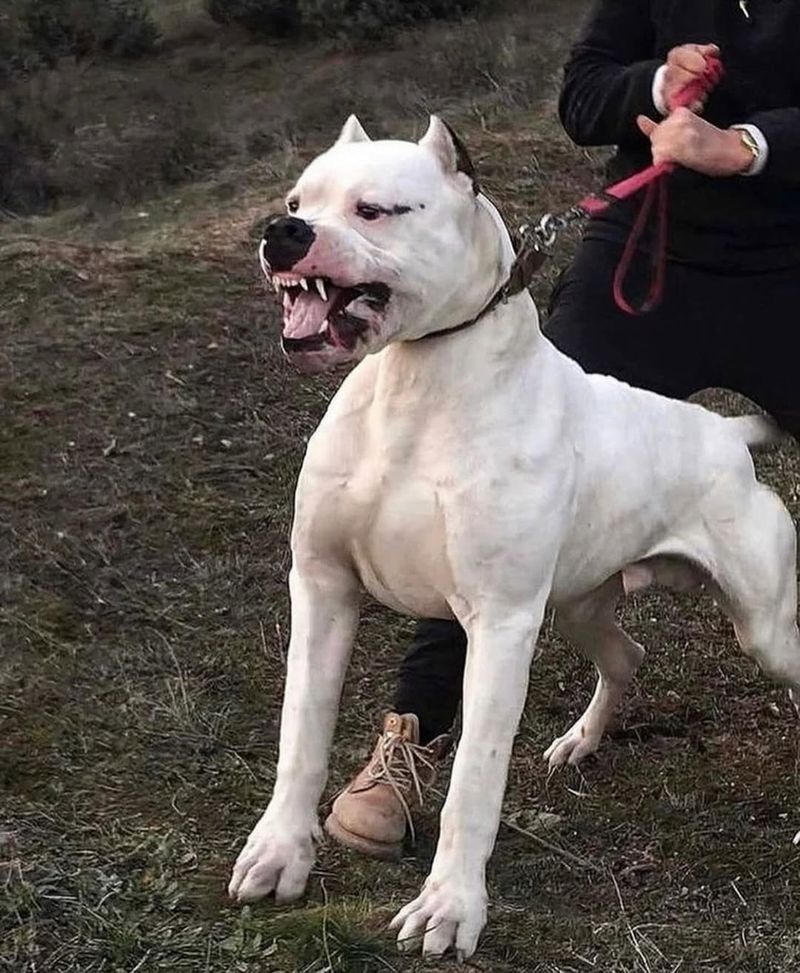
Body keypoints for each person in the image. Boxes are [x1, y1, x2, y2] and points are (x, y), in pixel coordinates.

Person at [323, 0, 800, 861]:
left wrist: (747, 146)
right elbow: (582, 95)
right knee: (495, 473)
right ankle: (415, 736)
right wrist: (653, 82)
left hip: (789, 260)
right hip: (644, 249)